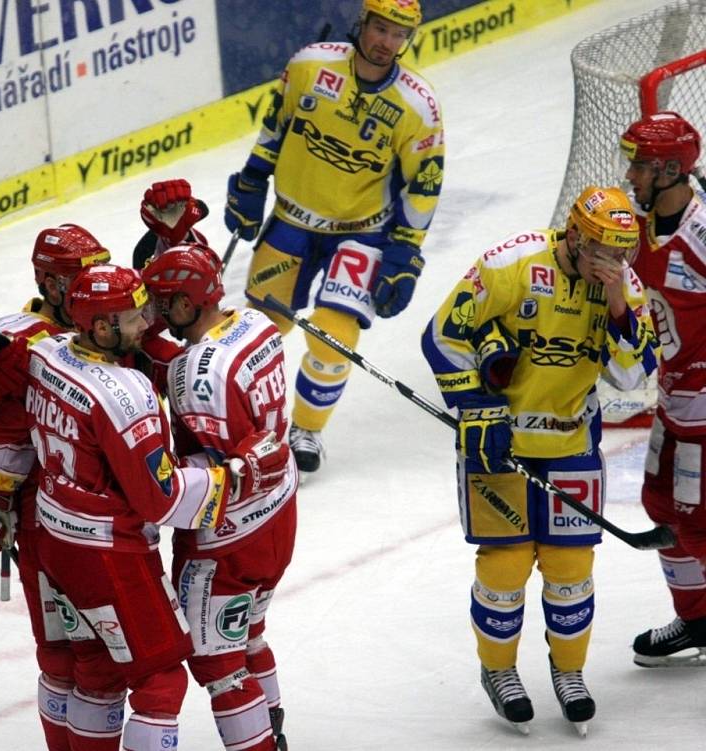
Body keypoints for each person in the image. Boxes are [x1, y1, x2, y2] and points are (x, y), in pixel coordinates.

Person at [0, 262, 290, 750]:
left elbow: (5, 424)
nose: (146, 323)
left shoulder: (46, 355)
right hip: (108, 555)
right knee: (161, 681)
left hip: (51, 540)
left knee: (96, 669)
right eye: (133, 318)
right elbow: (163, 499)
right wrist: (241, 473)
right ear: (100, 326)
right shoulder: (125, 395)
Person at [421, 186, 657, 735]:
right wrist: (477, 408)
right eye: (603, 249)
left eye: (623, 252)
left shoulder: (624, 287)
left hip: (571, 444)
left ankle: (569, 672)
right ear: (575, 235)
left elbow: (629, 376)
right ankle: (499, 671)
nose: (613, 262)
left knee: (571, 573)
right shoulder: (513, 263)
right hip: (496, 444)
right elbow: (442, 335)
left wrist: (619, 304)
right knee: (503, 569)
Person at [224, 0, 443, 474]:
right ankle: (244, 428)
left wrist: (405, 254)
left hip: (362, 231)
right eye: (380, 28)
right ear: (362, 24)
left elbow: (424, 184)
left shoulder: (417, 107)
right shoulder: (309, 65)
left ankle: (306, 429)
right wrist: (252, 180)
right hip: (292, 220)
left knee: (333, 337)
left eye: (398, 34)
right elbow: (274, 127)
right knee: (259, 332)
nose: (387, 42)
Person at [0, 224, 111, 751]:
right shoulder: (14, 334)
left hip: (105, 514)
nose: (93, 286)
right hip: (44, 518)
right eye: (80, 277)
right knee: (67, 658)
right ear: (49, 282)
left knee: (101, 661)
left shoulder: (106, 314)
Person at [142, 243, 298, 751]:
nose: (154, 313)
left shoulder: (194, 375)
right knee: (249, 632)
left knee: (219, 665)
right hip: (280, 517)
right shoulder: (256, 325)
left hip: (228, 537)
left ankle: (259, 744)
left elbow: (220, 468)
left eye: (163, 303)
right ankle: (272, 724)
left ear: (186, 306)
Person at [619, 111, 706, 667]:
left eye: (641, 165)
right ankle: (698, 620)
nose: (631, 174)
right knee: (661, 507)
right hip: (672, 399)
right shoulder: (638, 224)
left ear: (671, 170)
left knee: (697, 520)